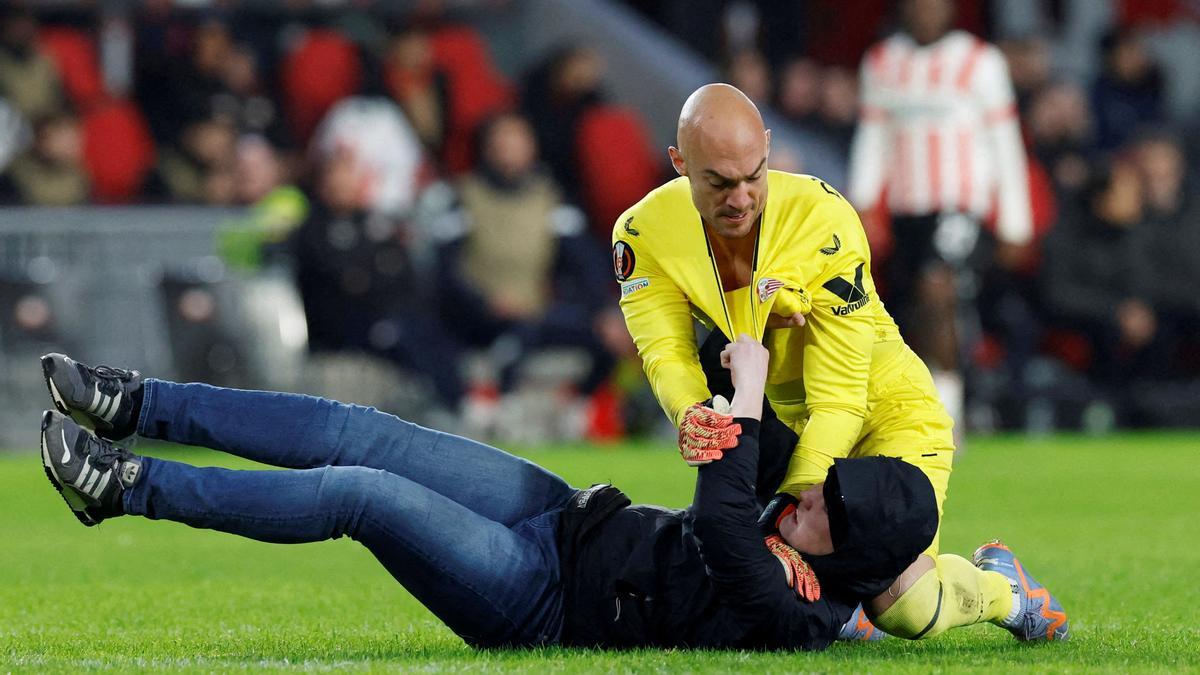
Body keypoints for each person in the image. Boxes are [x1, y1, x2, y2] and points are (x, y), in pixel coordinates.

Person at [33, 336, 1021, 651]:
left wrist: (748, 401)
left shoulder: (799, 613)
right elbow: (754, 445)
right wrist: (754, 348)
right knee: (361, 431)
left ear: (841, 555)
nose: (802, 498)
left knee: (359, 493)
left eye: (820, 509)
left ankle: (123, 488)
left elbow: (724, 514)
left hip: (542, 603)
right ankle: (134, 404)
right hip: (565, 516)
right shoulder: (824, 531)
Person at [612, 82, 1067, 642]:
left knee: (905, 609)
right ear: (680, 163)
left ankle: (1002, 588)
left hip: (889, 411)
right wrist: (689, 416)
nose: (740, 198)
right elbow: (665, 350)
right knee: (778, 570)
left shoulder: (822, 220)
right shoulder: (641, 232)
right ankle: (847, 603)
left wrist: (786, 510)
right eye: (718, 182)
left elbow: (842, 396)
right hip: (800, 423)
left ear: (770, 149)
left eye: (754, 175)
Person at [847, 0, 1034, 434]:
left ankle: (948, 417)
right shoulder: (882, 62)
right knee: (916, 309)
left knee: (937, 291)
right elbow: (873, 137)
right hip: (907, 210)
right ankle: (927, 406)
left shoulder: (979, 61)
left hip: (960, 204)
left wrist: (1015, 221)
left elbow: (1004, 140)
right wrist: (862, 202)